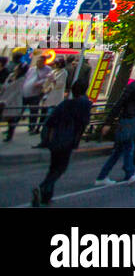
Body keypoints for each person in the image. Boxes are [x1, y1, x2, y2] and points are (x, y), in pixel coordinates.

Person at [32, 78, 92, 207]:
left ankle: (46, 196)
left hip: (55, 138)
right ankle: (44, 186)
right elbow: (83, 122)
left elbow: (50, 121)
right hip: (68, 139)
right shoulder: (84, 104)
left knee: (54, 167)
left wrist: (47, 139)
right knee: (60, 168)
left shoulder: (65, 104)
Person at [96, 59, 135, 186]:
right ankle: (130, 174)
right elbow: (120, 103)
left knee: (118, 151)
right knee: (129, 146)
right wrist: (108, 122)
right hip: (127, 119)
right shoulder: (133, 86)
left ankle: (102, 176)